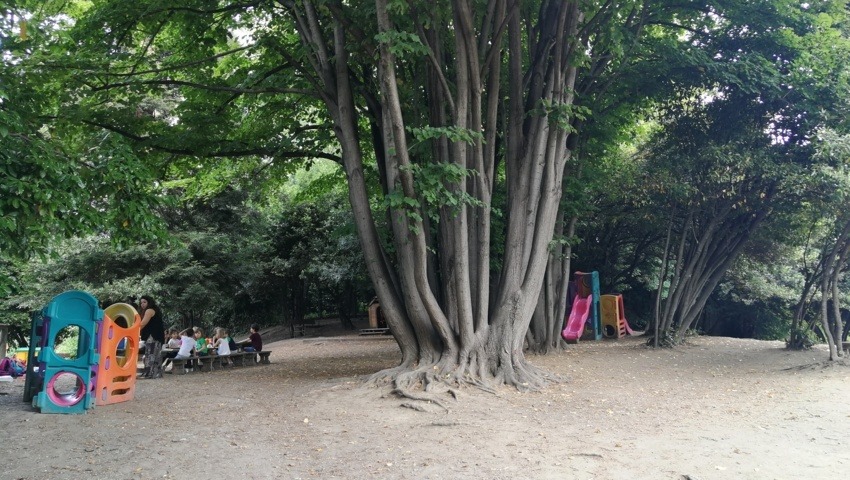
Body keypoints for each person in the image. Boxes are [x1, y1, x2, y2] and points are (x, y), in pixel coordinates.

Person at [139, 295, 165, 379]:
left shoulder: (149, 310)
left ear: (149, 302)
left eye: (144, 302)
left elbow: (142, 323)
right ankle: (156, 373)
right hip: (158, 336)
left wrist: (132, 329)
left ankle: (149, 373)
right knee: (156, 354)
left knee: (150, 354)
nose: (142, 304)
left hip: (152, 336)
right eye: (141, 302)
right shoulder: (155, 310)